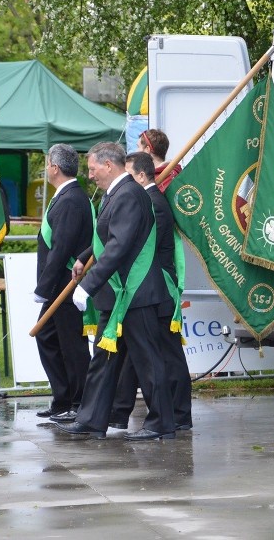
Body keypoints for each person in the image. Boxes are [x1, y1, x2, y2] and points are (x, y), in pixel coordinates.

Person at [56, 142, 175, 441]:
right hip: (120, 294)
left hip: (136, 294)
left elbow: (119, 246)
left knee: (148, 361)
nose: (91, 175)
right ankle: (92, 419)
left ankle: (162, 423)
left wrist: (88, 285)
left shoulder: (129, 195)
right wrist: (86, 260)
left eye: (93, 169)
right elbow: (106, 240)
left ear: (109, 165)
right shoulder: (118, 194)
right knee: (103, 360)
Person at [109, 151, 192, 431]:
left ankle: (179, 414)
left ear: (142, 175)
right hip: (150, 289)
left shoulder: (153, 203)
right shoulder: (149, 200)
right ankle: (120, 411)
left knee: (167, 355)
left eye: (128, 175)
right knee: (138, 354)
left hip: (159, 290)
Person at [33, 144, 94, 423]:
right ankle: (63, 399)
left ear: (54, 168)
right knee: (47, 338)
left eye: (47, 165)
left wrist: (43, 288)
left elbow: (61, 247)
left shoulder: (70, 199)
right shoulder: (66, 195)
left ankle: (80, 401)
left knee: (73, 346)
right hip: (58, 283)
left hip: (65, 284)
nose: (46, 169)